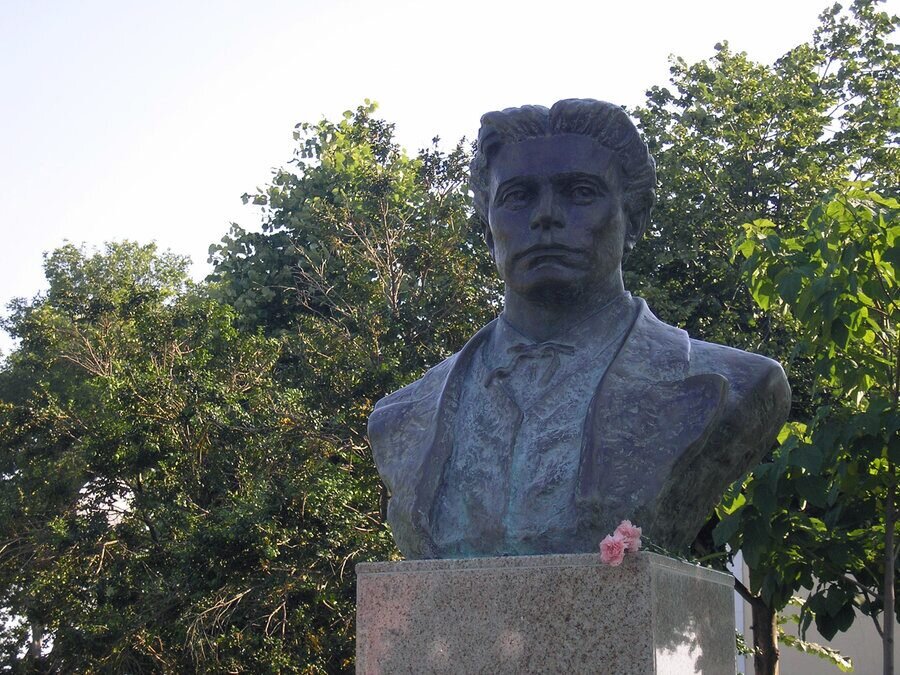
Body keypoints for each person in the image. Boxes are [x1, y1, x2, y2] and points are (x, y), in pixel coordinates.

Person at [368, 99, 791, 559]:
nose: (545, 215)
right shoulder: (401, 417)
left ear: (635, 219)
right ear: (488, 229)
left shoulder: (740, 385)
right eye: (517, 196)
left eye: (581, 192)